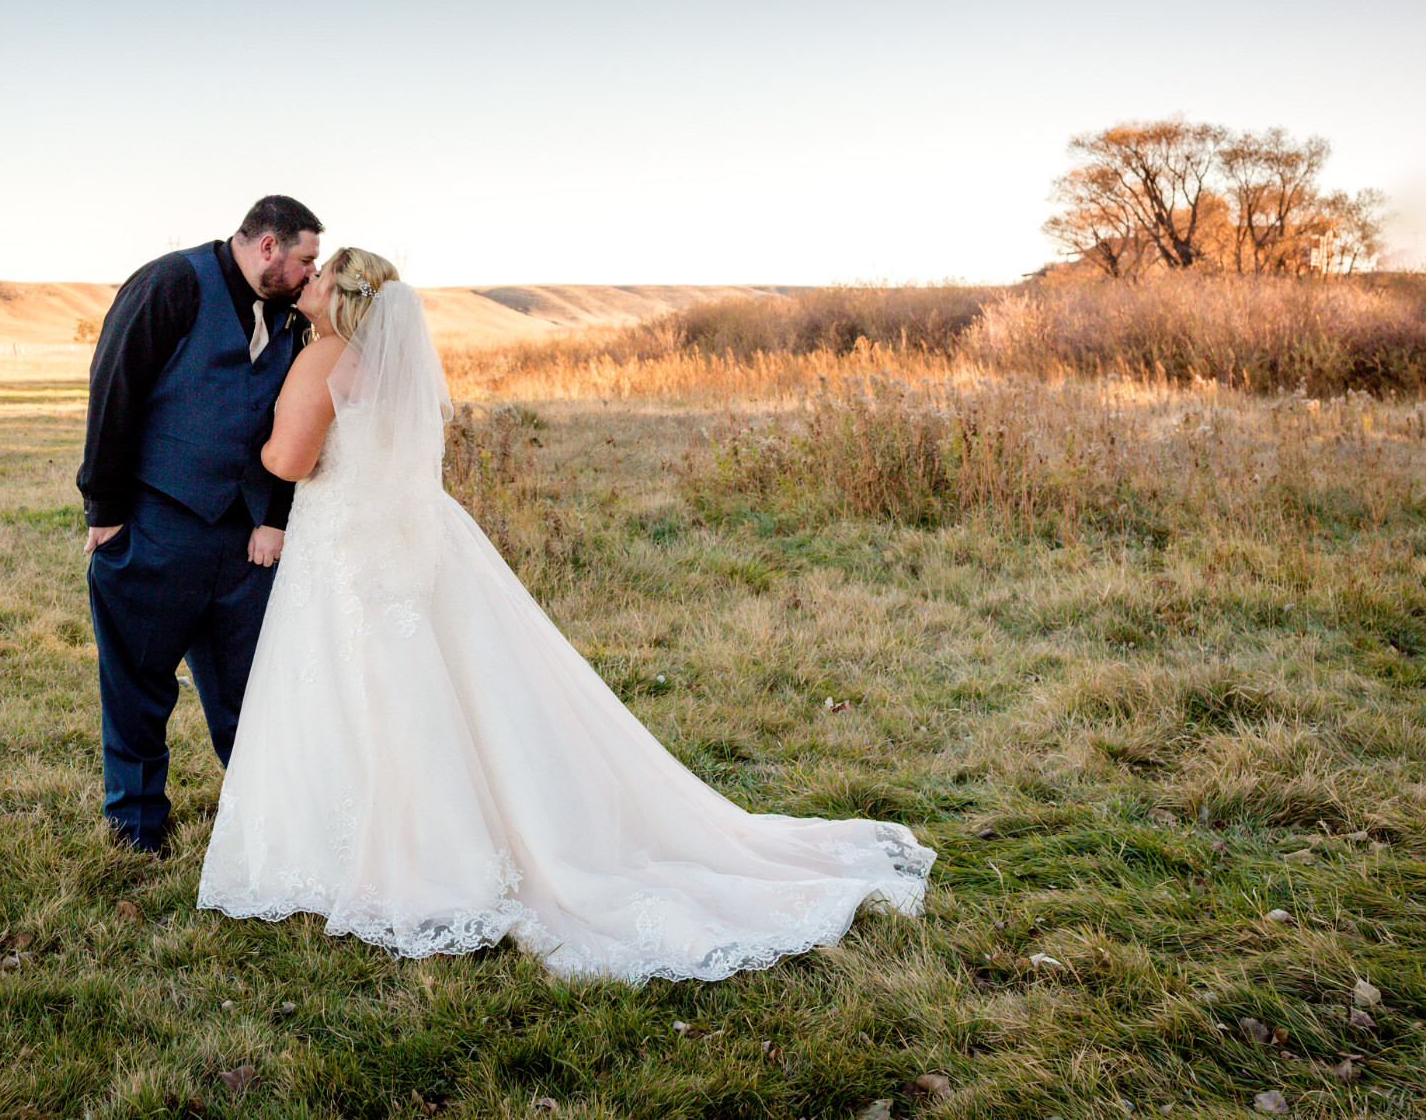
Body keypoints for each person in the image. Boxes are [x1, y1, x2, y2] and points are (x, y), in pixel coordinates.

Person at [198, 248, 936, 982]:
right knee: (439, 686)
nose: (310, 279)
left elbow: (288, 461)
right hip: (416, 534)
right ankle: (457, 840)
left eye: (322, 272)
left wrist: (254, 438)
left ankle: (363, 856)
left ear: (342, 296)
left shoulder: (323, 356)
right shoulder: (389, 362)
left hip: (348, 545)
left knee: (353, 690)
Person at [78, 195, 322, 854]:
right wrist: (105, 510)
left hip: (247, 543)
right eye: (305, 260)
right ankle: (135, 829)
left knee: (250, 693)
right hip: (158, 524)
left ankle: (268, 831)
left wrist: (273, 517)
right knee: (137, 686)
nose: (310, 275)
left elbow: (293, 428)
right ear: (268, 246)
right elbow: (115, 386)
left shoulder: (297, 321)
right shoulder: (173, 283)